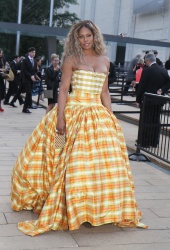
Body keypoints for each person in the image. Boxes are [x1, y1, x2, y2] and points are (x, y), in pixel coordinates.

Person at [11, 20, 147, 236]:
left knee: (99, 164)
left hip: (97, 115)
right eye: (81, 36)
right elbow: (63, 90)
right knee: (61, 156)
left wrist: (110, 117)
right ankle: (66, 202)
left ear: (95, 36)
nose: (85, 40)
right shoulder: (71, 59)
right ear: (76, 38)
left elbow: (104, 93)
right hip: (72, 114)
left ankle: (95, 207)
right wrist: (60, 120)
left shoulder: (105, 60)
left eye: (88, 36)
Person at [136, 53, 170, 147]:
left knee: (146, 120)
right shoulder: (163, 70)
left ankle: (145, 142)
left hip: (148, 100)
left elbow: (142, 87)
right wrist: (162, 89)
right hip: (158, 101)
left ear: (147, 61)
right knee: (155, 120)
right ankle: (154, 141)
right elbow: (168, 83)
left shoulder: (147, 71)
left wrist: (138, 99)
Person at [21, 47, 38, 113]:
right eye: (32, 52)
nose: (34, 54)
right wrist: (30, 76)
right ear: (29, 53)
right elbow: (24, 70)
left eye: (34, 52)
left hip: (32, 79)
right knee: (29, 93)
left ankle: (26, 107)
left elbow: (36, 70)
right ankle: (25, 108)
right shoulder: (25, 60)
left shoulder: (35, 61)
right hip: (26, 79)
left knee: (29, 93)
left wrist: (33, 75)